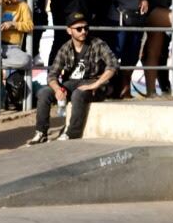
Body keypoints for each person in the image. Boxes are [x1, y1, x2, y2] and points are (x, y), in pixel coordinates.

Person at [29, 11, 118, 143]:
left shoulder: (97, 44)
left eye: (86, 28)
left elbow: (113, 65)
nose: (83, 31)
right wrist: (57, 89)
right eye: (79, 29)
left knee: (78, 93)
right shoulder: (65, 48)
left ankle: (72, 133)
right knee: (44, 93)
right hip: (71, 83)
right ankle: (41, 132)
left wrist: (96, 84)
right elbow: (52, 75)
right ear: (69, 31)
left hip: (93, 83)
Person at [107, 0, 147, 98]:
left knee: (132, 55)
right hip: (120, 19)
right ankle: (114, 88)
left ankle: (125, 87)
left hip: (136, 18)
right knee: (118, 54)